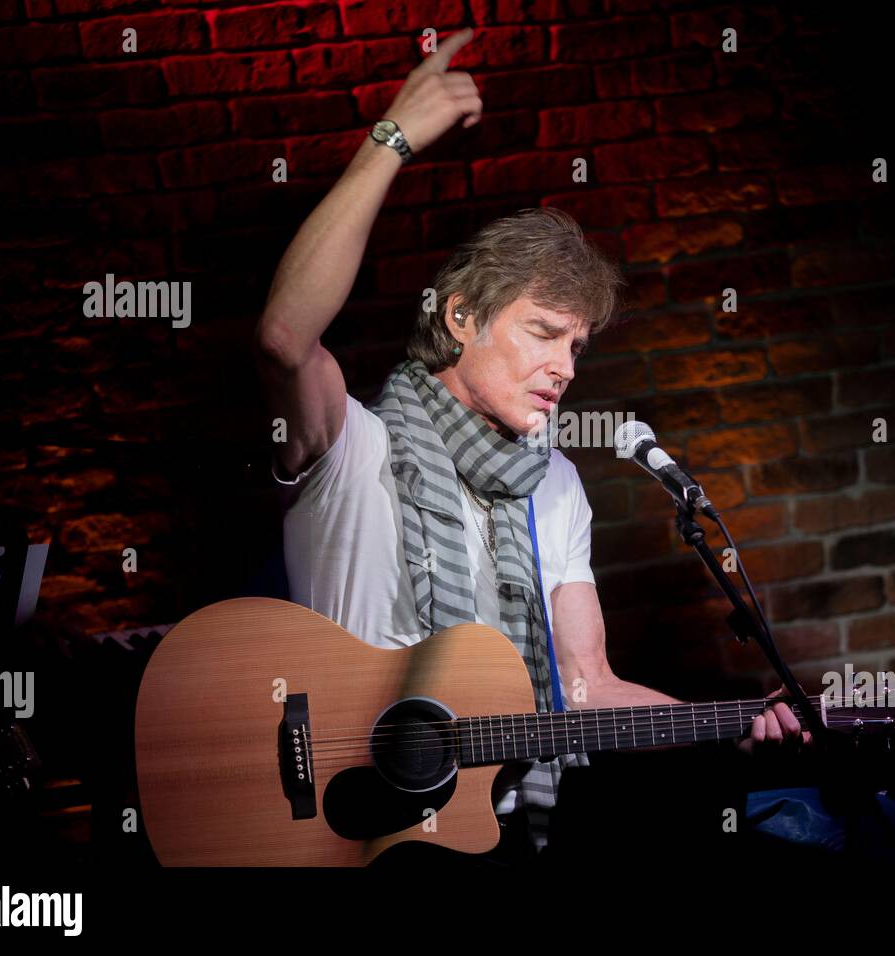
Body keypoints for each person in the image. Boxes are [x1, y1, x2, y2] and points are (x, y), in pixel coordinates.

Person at [252, 27, 804, 866]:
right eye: (544, 334)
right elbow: (286, 337)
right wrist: (391, 138)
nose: (563, 367)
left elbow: (584, 693)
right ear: (461, 317)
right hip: (345, 828)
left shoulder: (557, 488)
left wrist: (728, 727)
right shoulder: (353, 447)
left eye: (577, 347)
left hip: (489, 831)